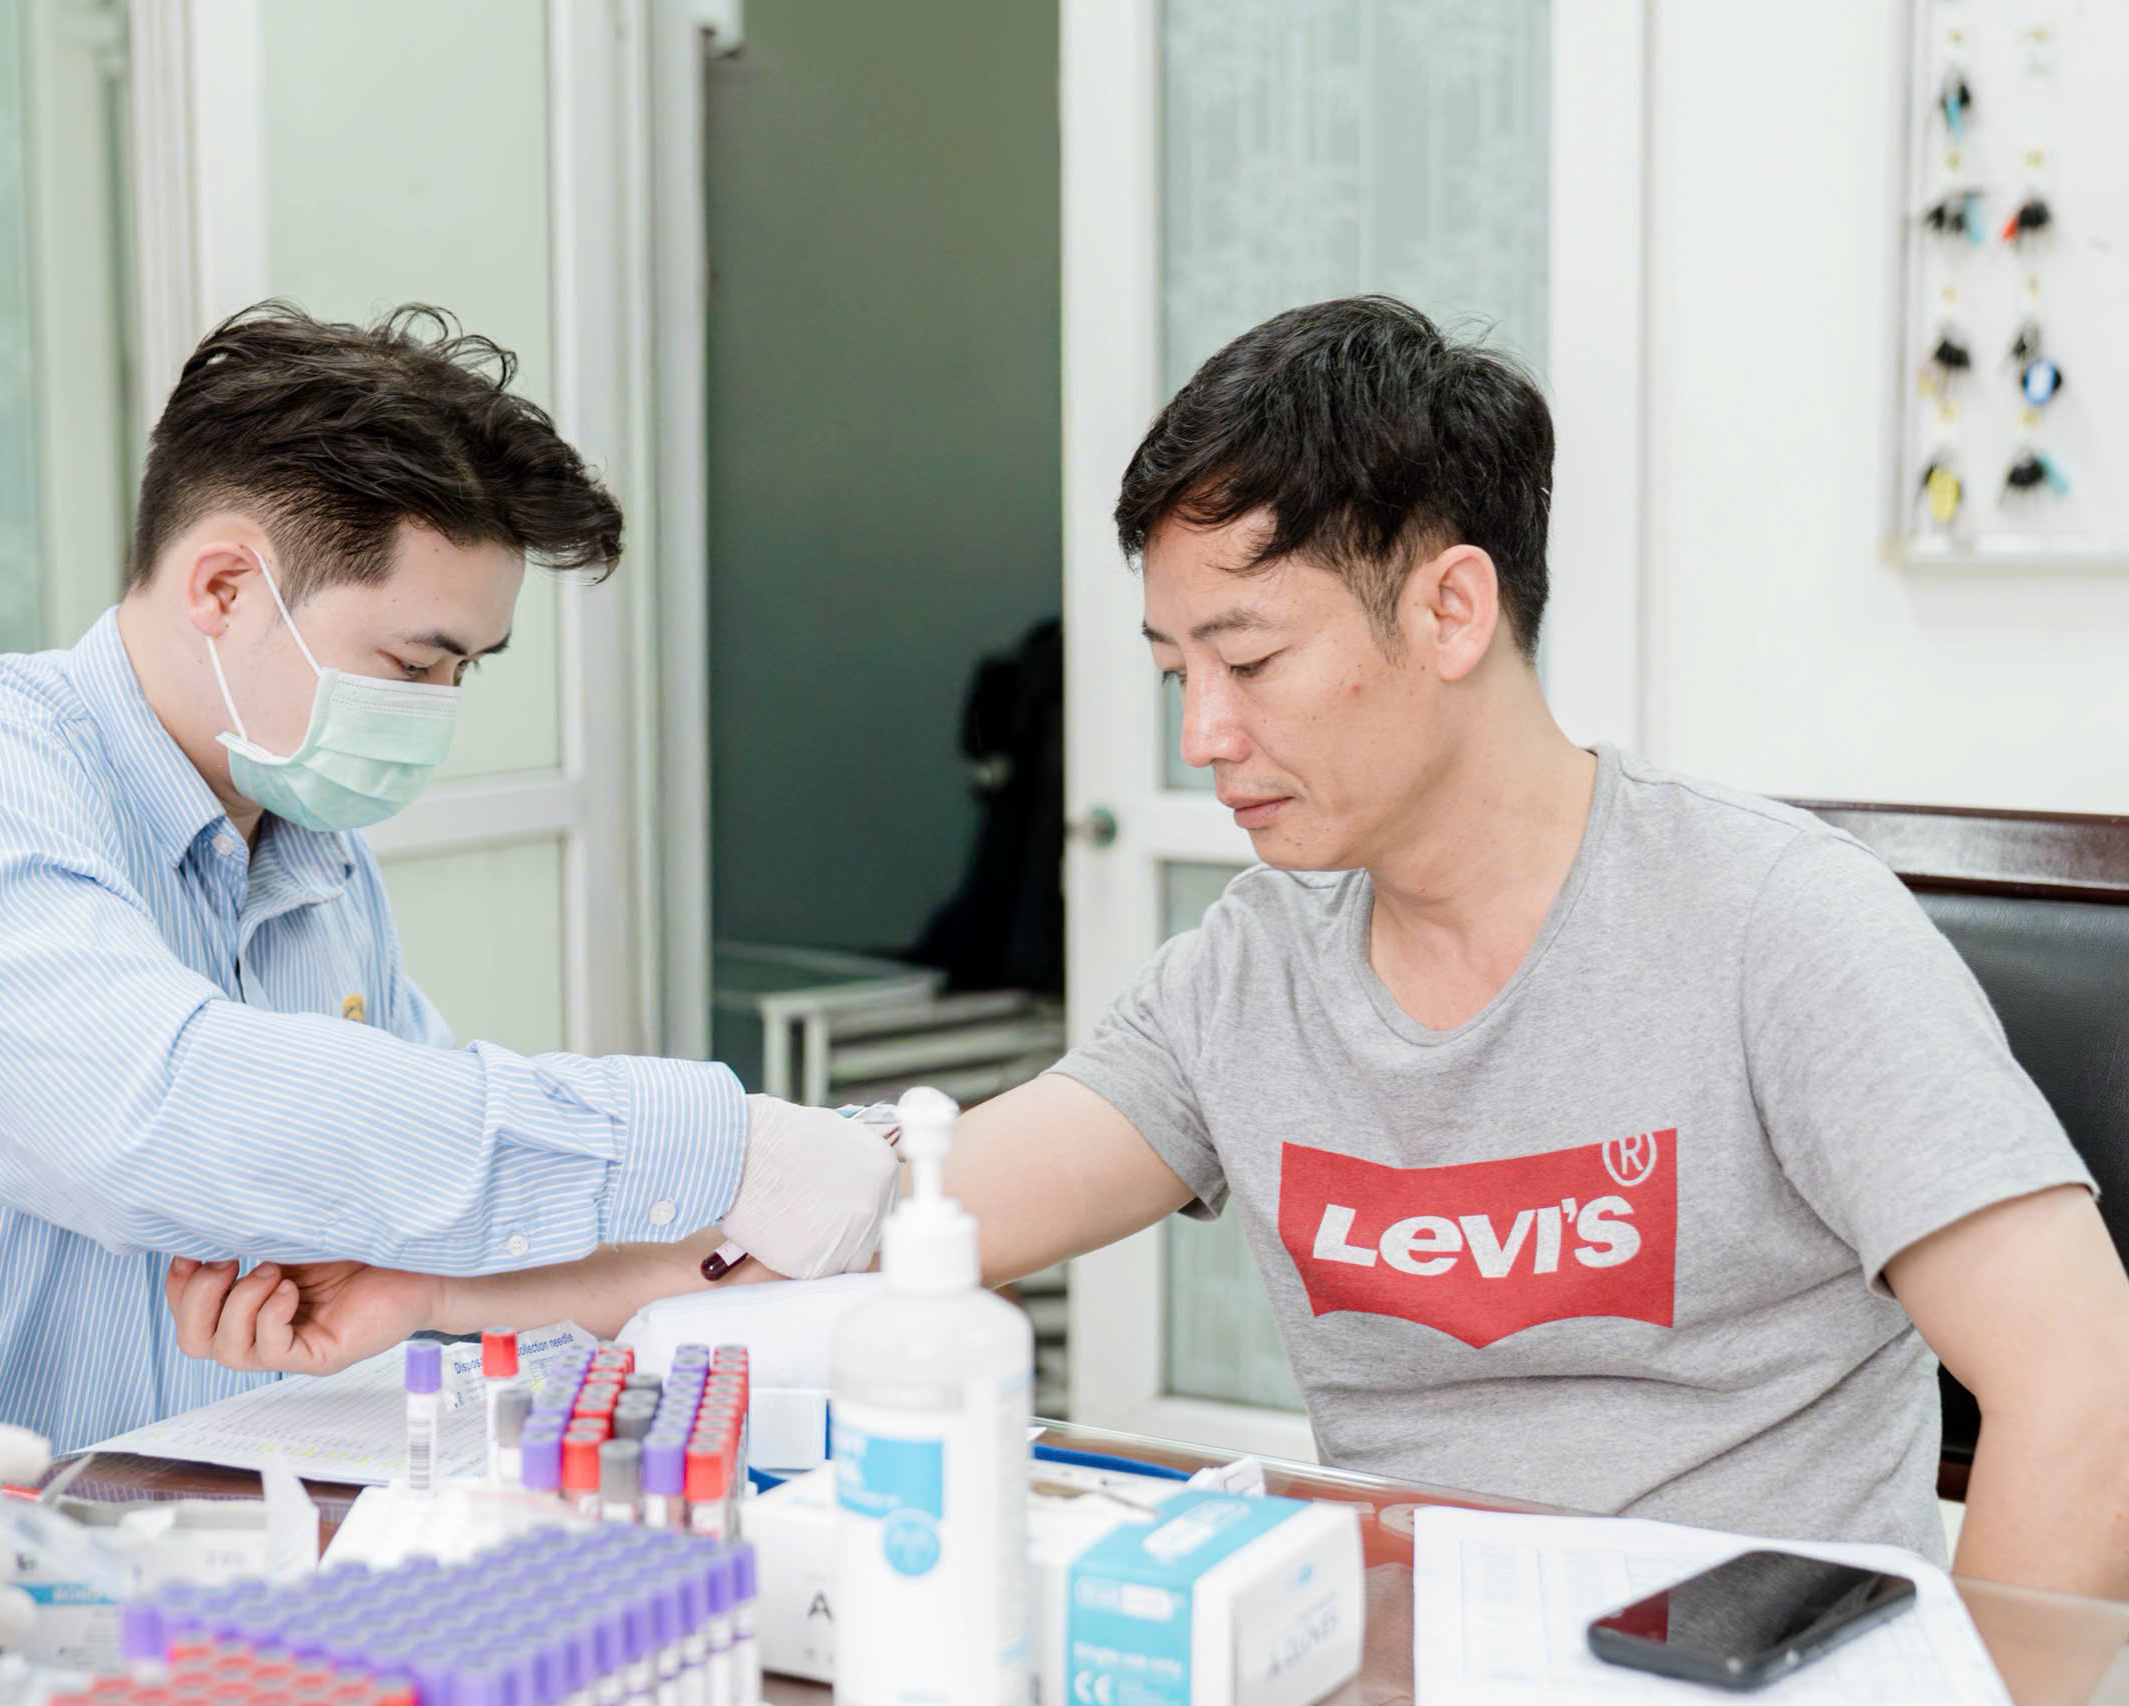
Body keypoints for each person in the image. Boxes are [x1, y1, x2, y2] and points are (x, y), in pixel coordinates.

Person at [168, 297, 2129, 1598]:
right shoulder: (1252, 972)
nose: (1204, 735)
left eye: (1249, 657)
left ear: (1452, 611)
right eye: (1174, 667)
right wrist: (430, 1290)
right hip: (1390, 1645)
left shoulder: (1777, 928)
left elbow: (2082, 1383)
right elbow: (883, 1209)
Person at [0, 303, 898, 1447]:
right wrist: (712, 1140)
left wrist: (756, 1214)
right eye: (412, 664)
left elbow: (426, 1183)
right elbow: (154, 1118)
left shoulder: (310, 843)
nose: (438, 712)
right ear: (223, 588)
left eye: (464, 671)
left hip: (228, 1493)